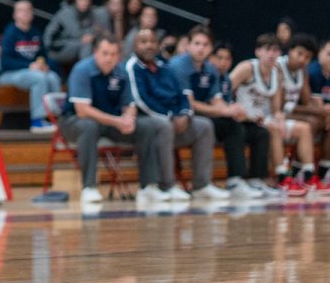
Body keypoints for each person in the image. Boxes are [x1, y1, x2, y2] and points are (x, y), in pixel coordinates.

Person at [61, 35, 169, 205]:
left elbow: (129, 104)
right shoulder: (82, 70)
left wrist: (129, 119)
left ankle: (148, 187)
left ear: (119, 56)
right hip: (74, 122)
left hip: (109, 122)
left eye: (113, 54)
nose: (108, 58)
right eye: (105, 53)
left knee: (148, 126)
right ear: (95, 52)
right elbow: (83, 111)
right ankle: (89, 187)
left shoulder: (121, 71)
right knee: (89, 126)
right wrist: (118, 121)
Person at [125, 28, 228, 202]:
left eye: (152, 41)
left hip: (173, 121)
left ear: (158, 45)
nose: (149, 45)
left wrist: (184, 114)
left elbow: (182, 95)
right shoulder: (132, 67)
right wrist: (170, 117)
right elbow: (141, 100)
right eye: (143, 42)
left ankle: (202, 185)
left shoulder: (165, 67)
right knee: (163, 126)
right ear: (134, 45)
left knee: (204, 126)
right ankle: (167, 185)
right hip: (149, 123)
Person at [169, 27, 266, 199]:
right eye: (197, 43)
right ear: (188, 45)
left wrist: (232, 111)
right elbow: (190, 103)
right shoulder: (178, 65)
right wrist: (224, 111)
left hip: (201, 116)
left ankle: (236, 180)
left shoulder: (210, 68)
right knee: (212, 124)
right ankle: (201, 184)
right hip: (180, 114)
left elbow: (217, 100)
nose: (201, 48)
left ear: (210, 47)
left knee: (234, 125)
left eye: (205, 44)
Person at [229, 33, 312, 196]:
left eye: (276, 50)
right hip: (244, 119)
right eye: (267, 50)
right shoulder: (247, 68)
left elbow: (276, 109)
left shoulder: (277, 73)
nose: (272, 54)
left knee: (303, 128)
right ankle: (283, 178)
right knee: (272, 129)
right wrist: (232, 108)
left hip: (264, 119)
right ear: (257, 51)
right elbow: (224, 89)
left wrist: (280, 118)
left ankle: (308, 176)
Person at [0, 0, 61, 134]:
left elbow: (43, 55)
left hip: (33, 71)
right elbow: (6, 61)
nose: (25, 13)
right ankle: (37, 121)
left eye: (28, 10)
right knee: (39, 78)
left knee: (53, 77)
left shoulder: (36, 32)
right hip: (9, 74)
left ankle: (55, 117)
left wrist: (45, 65)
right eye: (21, 10)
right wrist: (29, 65)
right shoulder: (10, 32)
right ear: (15, 14)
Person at [277, 34, 330, 189]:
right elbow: (281, 105)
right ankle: (297, 171)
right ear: (290, 50)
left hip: (291, 110)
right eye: (299, 54)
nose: (302, 59)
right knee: (313, 122)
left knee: (323, 120)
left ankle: (317, 171)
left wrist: (324, 113)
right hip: (278, 113)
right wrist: (321, 112)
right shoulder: (279, 67)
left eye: (307, 57)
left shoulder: (302, 71)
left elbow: (307, 100)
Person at [44, 0, 100, 66]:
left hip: (70, 44)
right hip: (55, 48)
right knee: (86, 45)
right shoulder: (67, 11)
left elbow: (94, 30)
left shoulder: (88, 13)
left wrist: (91, 35)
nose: (85, 1)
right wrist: (90, 35)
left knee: (93, 44)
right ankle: (86, 73)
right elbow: (76, 33)